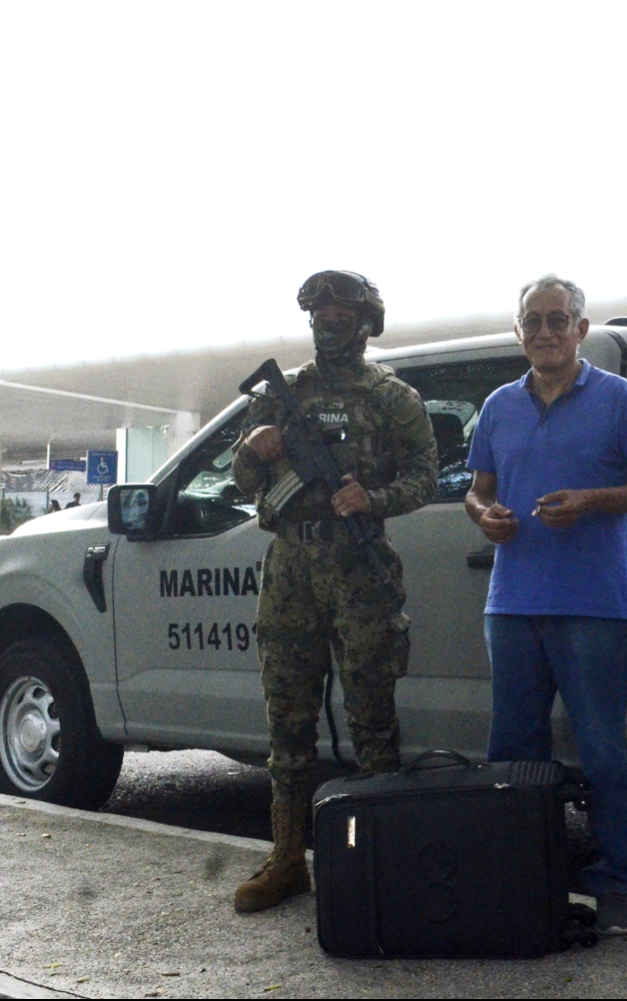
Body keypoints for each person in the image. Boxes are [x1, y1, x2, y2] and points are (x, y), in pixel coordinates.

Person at [464, 274, 627, 936]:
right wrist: (485, 516)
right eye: (534, 321)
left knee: (602, 752)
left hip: (590, 605)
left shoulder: (617, 398)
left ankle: (615, 886)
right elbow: (476, 490)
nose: (546, 331)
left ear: (581, 330)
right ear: (519, 331)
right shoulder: (498, 405)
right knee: (512, 752)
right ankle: (521, 877)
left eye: (559, 320)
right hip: (512, 601)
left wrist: (590, 500)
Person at [231, 270, 438, 913]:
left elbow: (427, 476)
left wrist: (371, 498)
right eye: (318, 307)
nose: (329, 317)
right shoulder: (283, 393)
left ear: (366, 318)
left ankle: (380, 861)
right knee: (287, 717)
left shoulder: (393, 397)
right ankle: (287, 861)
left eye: (342, 307)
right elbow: (242, 479)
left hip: (360, 564)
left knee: (372, 717)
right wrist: (253, 445)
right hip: (292, 566)